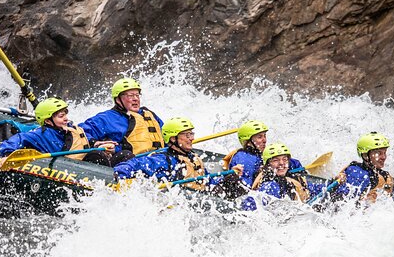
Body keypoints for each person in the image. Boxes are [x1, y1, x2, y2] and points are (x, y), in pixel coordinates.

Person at [114, 117, 244, 196]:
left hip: (199, 200)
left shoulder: (194, 158)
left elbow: (206, 180)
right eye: (187, 135)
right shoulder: (163, 159)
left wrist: (227, 178)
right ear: (173, 138)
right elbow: (135, 164)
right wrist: (122, 174)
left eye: (191, 134)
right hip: (181, 202)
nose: (191, 138)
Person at [0, 97, 114, 165]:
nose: (66, 118)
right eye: (61, 116)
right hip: (67, 168)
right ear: (48, 121)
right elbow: (19, 138)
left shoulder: (71, 128)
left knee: (122, 155)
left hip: (82, 163)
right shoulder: (40, 134)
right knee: (97, 156)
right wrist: (7, 154)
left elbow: (83, 139)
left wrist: (96, 143)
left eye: (65, 115)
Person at [79, 77, 164, 165]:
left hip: (156, 161)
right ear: (118, 100)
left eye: (137, 95)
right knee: (125, 155)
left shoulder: (149, 115)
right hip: (128, 163)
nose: (136, 99)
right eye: (130, 95)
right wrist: (95, 143)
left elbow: (167, 135)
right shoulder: (107, 118)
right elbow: (81, 131)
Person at [222, 120, 303, 189]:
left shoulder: (262, 153)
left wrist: (297, 169)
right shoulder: (244, 158)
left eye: (265, 136)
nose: (264, 140)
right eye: (259, 137)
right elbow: (247, 186)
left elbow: (286, 162)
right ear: (248, 141)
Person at [241, 143, 322, 210]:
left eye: (285, 159)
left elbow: (317, 189)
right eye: (276, 160)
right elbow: (249, 207)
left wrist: (333, 185)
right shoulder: (269, 186)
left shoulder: (293, 179)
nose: (281, 163)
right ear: (268, 165)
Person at [332, 131, 394, 206]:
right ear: (365, 155)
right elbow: (339, 203)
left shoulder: (385, 175)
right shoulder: (358, 174)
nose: (383, 157)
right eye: (378, 153)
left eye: (384, 152)